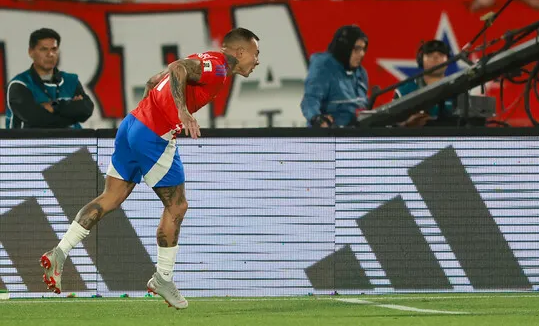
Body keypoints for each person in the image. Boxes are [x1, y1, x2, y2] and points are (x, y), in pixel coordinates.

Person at [39, 28, 259, 307]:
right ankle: (163, 279)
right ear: (239, 52)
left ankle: (59, 252)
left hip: (132, 123)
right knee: (177, 206)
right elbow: (176, 68)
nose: (257, 60)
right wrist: (181, 111)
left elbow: (154, 80)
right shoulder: (217, 67)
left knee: (111, 197)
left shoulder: (206, 59)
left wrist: (148, 111)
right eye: (255, 53)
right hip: (154, 134)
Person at [5, 27, 94, 129]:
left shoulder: (71, 80)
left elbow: (87, 109)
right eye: (43, 49)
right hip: (30, 144)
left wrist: (53, 106)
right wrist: (72, 113)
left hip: (71, 143)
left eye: (54, 49)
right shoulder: (19, 84)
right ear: (31, 52)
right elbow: (36, 119)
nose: (50, 54)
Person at [301, 25, 369, 128]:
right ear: (345, 47)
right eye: (357, 49)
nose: (362, 54)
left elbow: (361, 108)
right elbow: (310, 99)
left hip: (355, 137)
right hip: (327, 138)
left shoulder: (361, 73)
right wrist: (317, 118)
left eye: (363, 49)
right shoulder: (324, 66)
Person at [392, 39, 456, 126]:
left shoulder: (459, 87)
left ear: (448, 60)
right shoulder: (404, 90)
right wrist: (406, 124)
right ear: (421, 59)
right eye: (429, 55)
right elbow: (391, 126)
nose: (435, 58)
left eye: (441, 55)